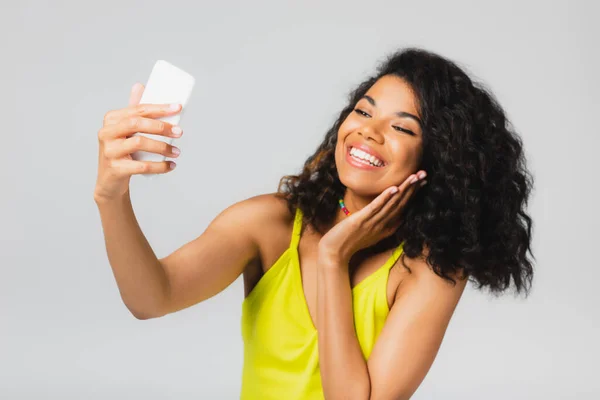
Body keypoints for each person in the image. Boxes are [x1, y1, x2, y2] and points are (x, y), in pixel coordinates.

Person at [94, 47, 534, 399]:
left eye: (402, 129)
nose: (368, 132)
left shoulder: (431, 270)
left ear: (437, 159)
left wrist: (331, 259)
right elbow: (152, 298)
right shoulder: (268, 223)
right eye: (363, 112)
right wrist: (110, 196)